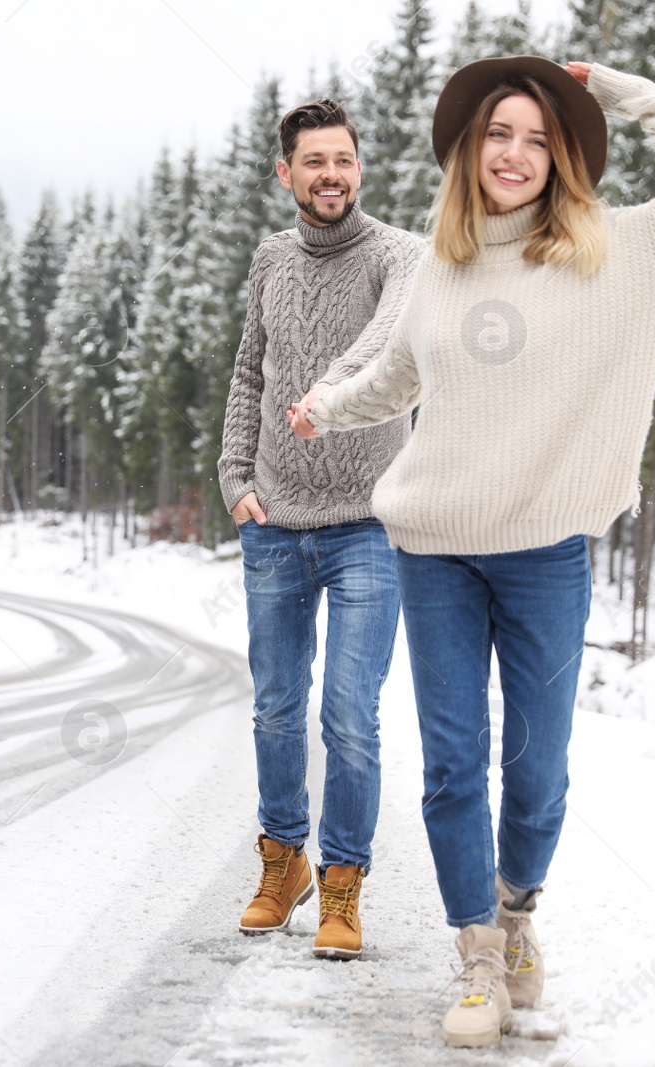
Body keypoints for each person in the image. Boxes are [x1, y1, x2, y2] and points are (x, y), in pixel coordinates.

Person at [289, 57, 655, 1044]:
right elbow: (393, 377)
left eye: (539, 136)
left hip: (545, 553)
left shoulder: (623, 250)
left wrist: (614, 87)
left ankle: (518, 910)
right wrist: (325, 409)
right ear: (467, 149)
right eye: (499, 133)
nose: (515, 152)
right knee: (454, 768)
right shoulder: (440, 268)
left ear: (566, 154)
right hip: (435, 548)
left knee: (537, 769)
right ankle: (476, 961)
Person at [218, 97, 424, 959]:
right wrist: (234, 477)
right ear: (286, 173)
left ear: (359, 167)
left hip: (369, 525)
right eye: (314, 161)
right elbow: (250, 374)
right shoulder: (270, 259)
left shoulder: (399, 254)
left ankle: (343, 881)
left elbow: (387, 342)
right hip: (273, 522)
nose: (330, 174)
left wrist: (326, 398)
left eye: (343, 159)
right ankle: (281, 862)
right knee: (273, 706)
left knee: (349, 711)